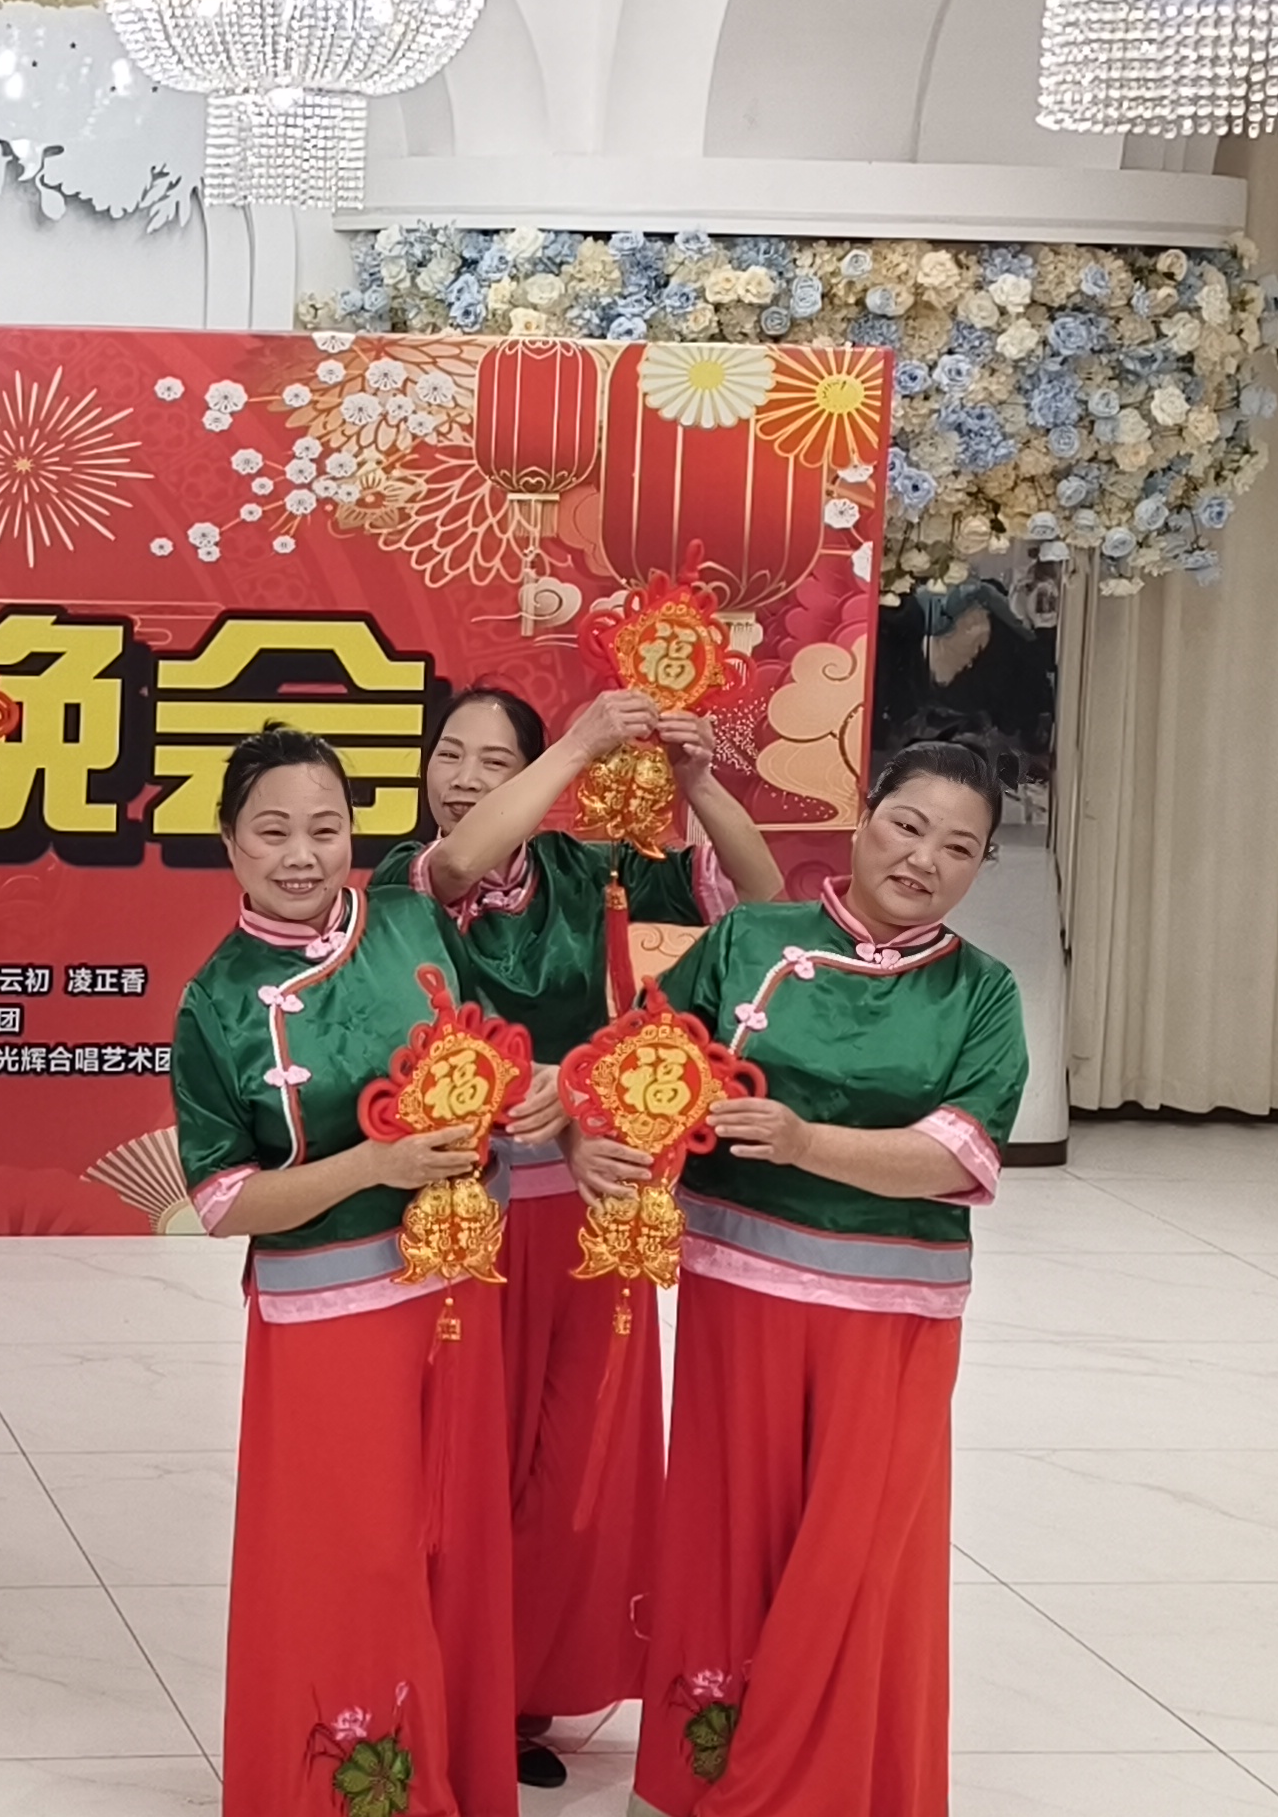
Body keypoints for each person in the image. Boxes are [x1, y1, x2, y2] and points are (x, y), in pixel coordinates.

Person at [568, 743, 1027, 1817]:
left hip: (891, 1318)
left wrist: (805, 1141)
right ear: (864, 820)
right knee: (726, 1543)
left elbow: (956, 1155)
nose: (924, 860)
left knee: (851, 1562)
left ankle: (815, 1792)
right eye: (908, 826)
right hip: (741, 1293)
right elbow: (633, 1058)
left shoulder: (982, 992)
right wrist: (593, 1135)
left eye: (959, 849)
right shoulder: (750, 941)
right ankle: (694, 1781)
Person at [368, 682, 782, 1785]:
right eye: (447, 755)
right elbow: (461, 865)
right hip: (469, 1211)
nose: (462, 779)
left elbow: (760, 897)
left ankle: (522, 1690)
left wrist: (699, 782)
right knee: (470, 1462)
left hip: (596, 1208)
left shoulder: (592, 871)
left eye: (490, 761)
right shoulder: (404, 881)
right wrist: (577, 748)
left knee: (574, 1467)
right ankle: (449, 1687)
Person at [171, 726, 514, 1817]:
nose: (302, 855)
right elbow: (223, 1202)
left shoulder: (411, 920)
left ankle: (456, 1768)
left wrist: (542, 1096)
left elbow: (486, 1061)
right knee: (355, 1559)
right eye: (272, 831)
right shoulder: (216, 1001)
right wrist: (373, 1164)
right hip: (328, 1318)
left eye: (325, 829)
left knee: (454, 1543)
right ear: (229, 843)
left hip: (455, 1289)